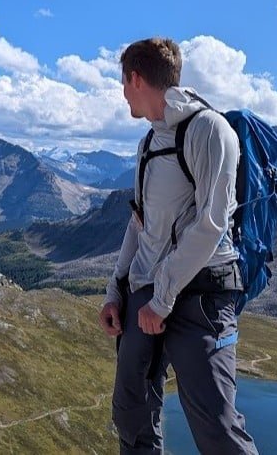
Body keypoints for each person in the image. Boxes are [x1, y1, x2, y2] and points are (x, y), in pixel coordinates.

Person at [98, 37, 258, 455]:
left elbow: (211, 223)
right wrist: (116, 292)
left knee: (217, 429)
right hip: (148, 294)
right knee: (131, 413)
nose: (122, 92)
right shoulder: (149, 143)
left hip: (202, 295)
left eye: (123, 82)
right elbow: (140, 225)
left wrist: (163, 298)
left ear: (136, 79)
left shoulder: (210, 130)